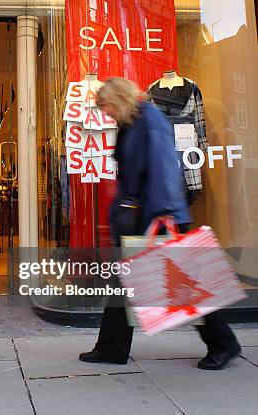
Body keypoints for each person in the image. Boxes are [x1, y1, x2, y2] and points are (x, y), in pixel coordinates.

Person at [78, 77, 241, 371]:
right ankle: (111, 347)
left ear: (120, 98)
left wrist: (164, 213)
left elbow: (165, 166)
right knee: (125, 285)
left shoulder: (149, 120)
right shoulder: (133, 120)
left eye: (107, 106)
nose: (106, 113)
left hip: (157, 216)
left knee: (187, 286)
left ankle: (224, 344)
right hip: (141, 215)